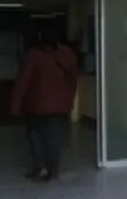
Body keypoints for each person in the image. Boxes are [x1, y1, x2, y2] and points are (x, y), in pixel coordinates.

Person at [11, 27, 79, 181]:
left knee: (36, 137)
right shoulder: (68, 54)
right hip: (60, 107)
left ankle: (40, 167)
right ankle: (52, 171)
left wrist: (15, 105)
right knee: (54, 139)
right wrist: (69, 101)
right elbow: (73, 80)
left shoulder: (34, 55)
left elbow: (23, 81)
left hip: (36, 106)